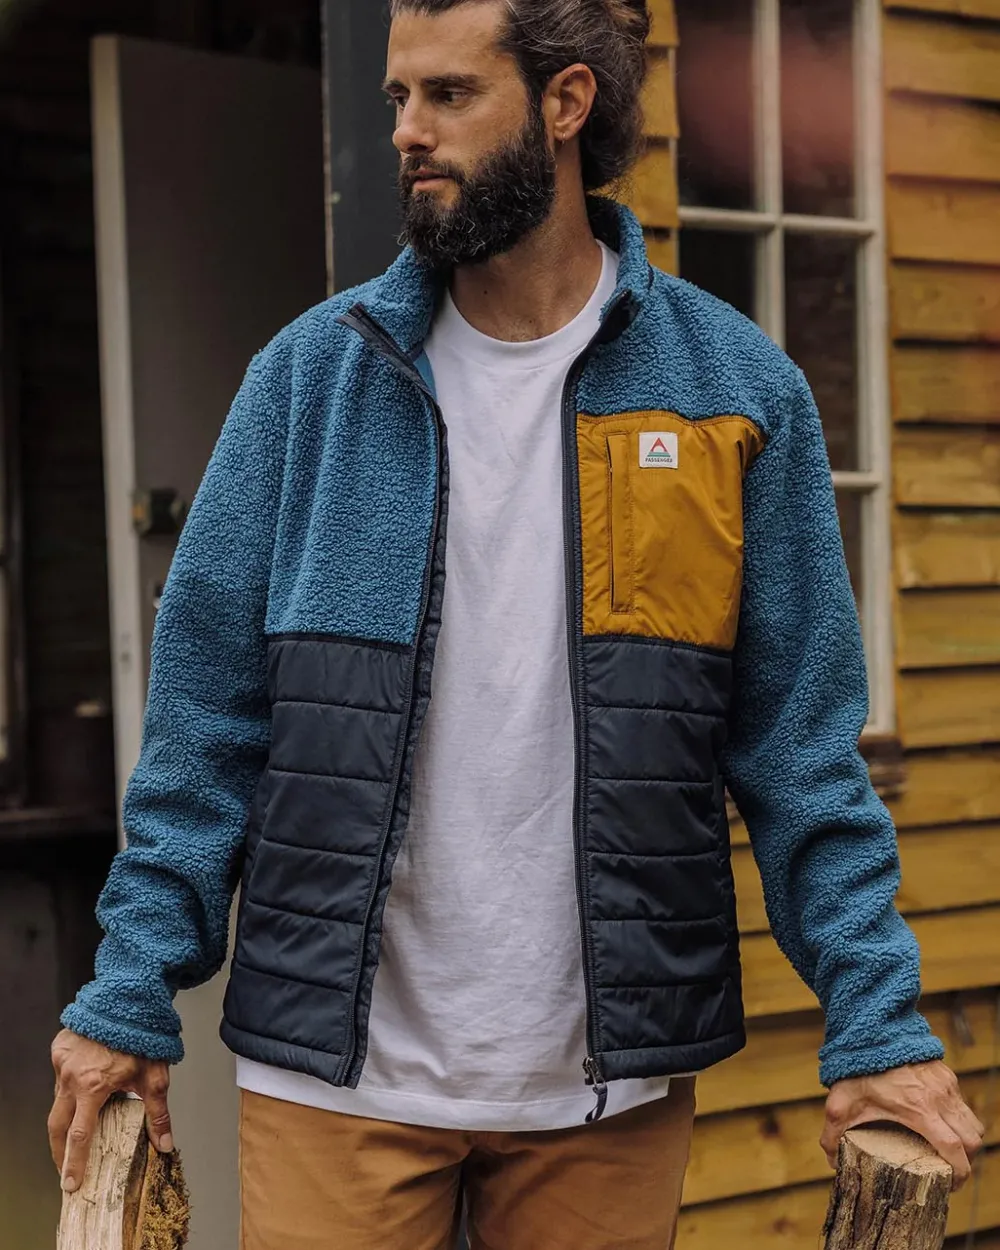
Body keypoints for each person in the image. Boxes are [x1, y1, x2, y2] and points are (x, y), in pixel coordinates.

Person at [49, 1, 985, 1246]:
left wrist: (876, 1020)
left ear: (565, 103)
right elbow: (203, 728)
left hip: (603, 1092)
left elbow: (800, 752)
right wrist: (128, 987)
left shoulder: (732, 391)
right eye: (397, 98)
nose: (407, 132)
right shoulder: (310, 379)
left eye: (448, 94)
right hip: (335, 1083)